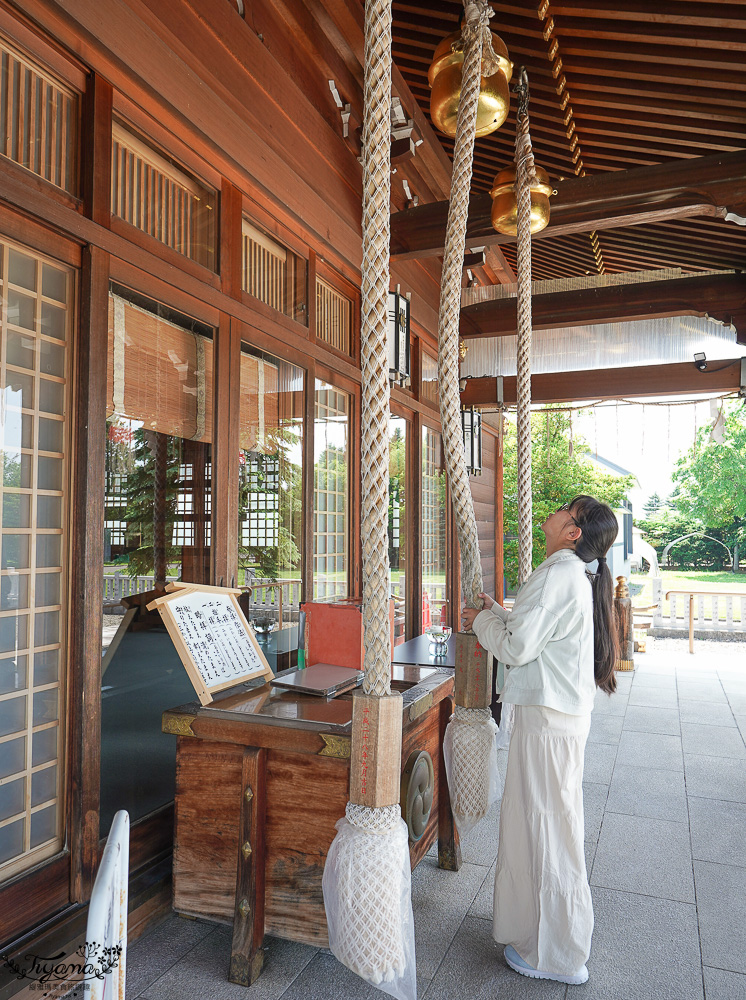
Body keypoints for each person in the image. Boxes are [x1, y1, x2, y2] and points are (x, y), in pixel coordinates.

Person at [461, 494, 619, 986]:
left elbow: (516, 646)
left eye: (563, 512)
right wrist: (498, 611)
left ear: (573, 532)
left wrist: (480, 621)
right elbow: (532, 632)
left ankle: (557, 953)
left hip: (549, 723)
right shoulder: (568, 574)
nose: (551, 513)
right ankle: (538, 933)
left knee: (548, 829)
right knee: (543, 823)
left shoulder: (559, 575)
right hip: (555, 718)